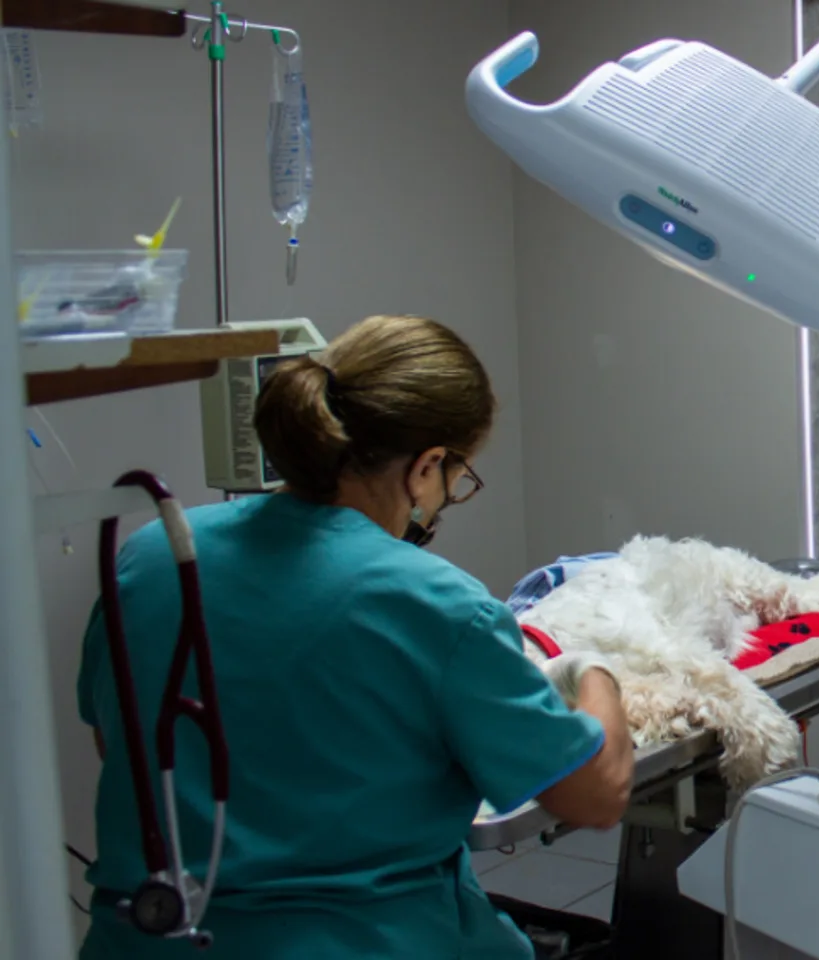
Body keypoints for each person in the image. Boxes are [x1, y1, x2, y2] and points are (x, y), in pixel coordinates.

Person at [75, 314, 634, 958]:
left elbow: (115, 737)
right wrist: (594, 677)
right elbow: (593, 795)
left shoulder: (155, 556)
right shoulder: (438, 603)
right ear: (427, 467)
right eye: (458, 479)